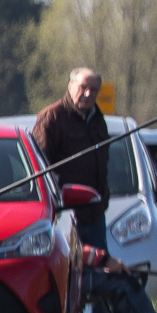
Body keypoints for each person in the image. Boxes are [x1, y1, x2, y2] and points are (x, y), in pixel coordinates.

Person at [32, 68, 110, 253]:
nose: (88, 93)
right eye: (83, 87)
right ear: (70, 86)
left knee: (101, 275)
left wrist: (104, 198)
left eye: (94, 89)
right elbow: (39, 169)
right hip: (66, 217)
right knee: (70, 277)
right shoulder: (51, 118)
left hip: (96, 217)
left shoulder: (98, 121)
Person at [77, 243, 157, 313]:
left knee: (120, 283)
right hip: (79, 278)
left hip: (77, 275)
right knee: (126, 282)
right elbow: (76, 249)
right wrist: (105, 259)